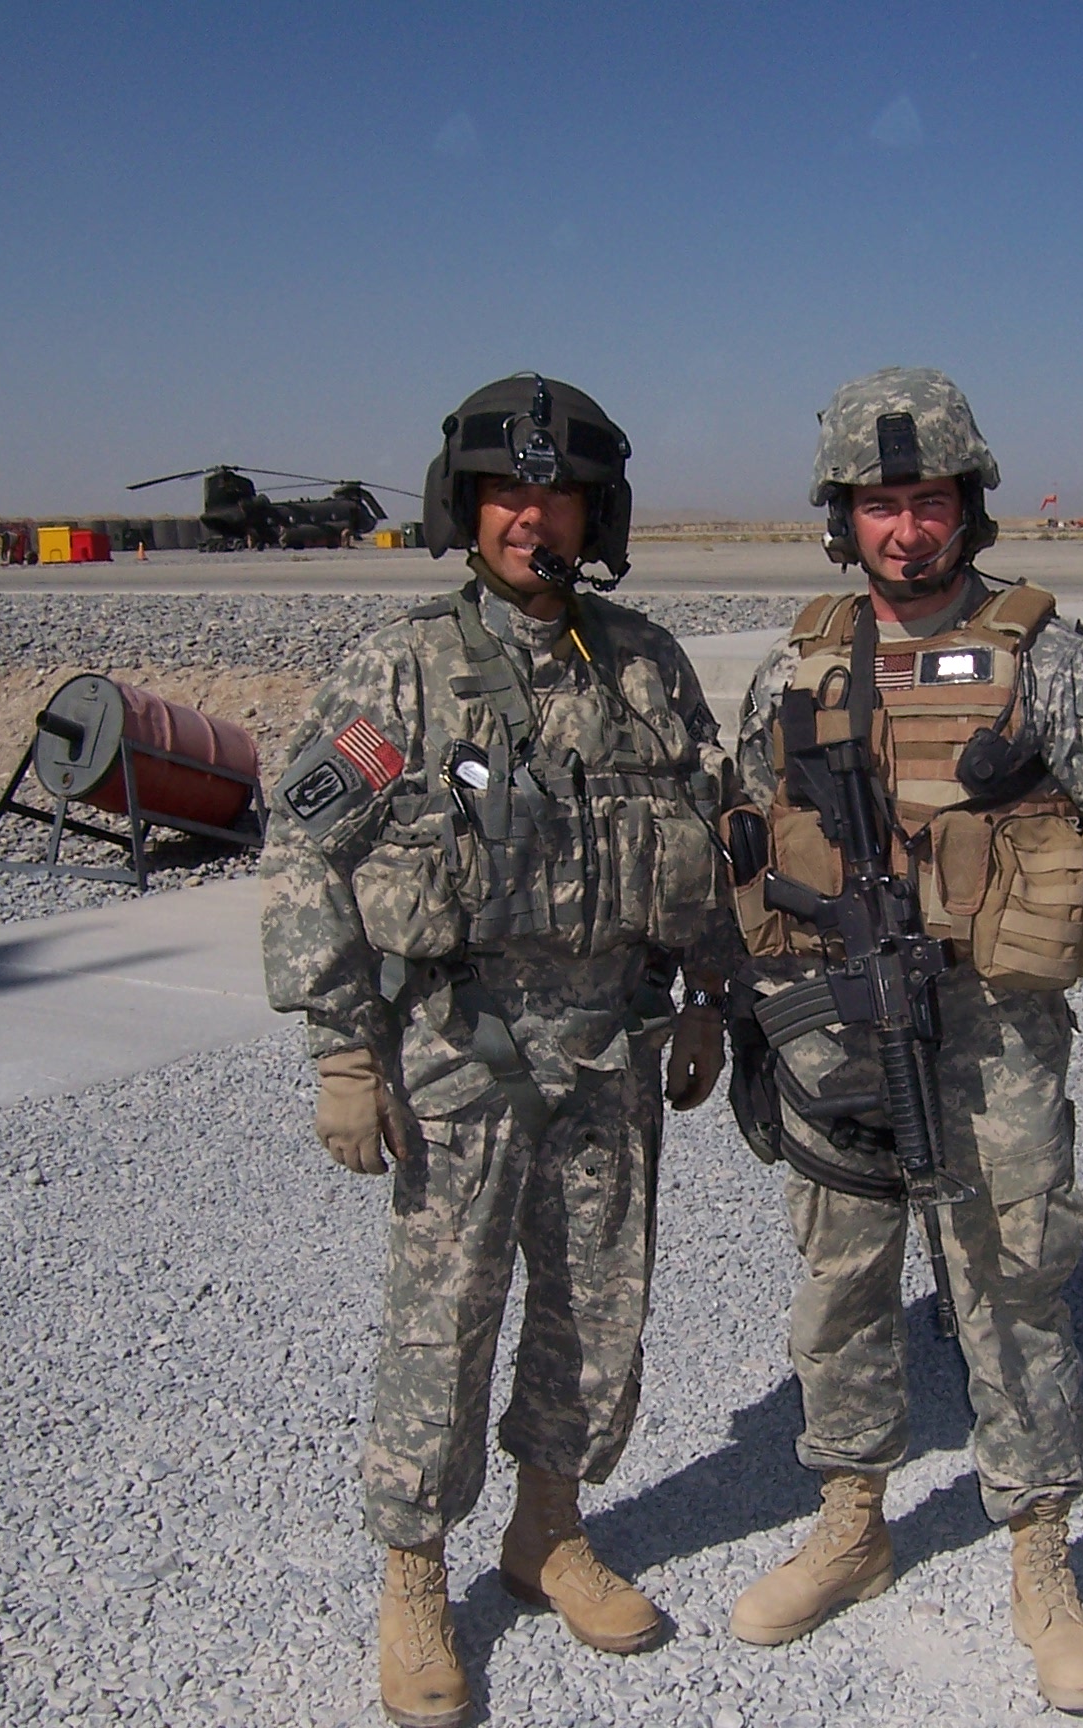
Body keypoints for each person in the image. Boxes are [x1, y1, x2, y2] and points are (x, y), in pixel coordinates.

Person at [723, 368, 1083, 1714]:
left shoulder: (1046, 659)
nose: (905, 528)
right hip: (836, 1040)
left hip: (995, 1042)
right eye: (880, 504)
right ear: (845, 516)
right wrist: (743, 1018)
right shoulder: (799, 659)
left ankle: (1043, 1552)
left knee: (1012, 1282)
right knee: (838, 1289)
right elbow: (740, 844)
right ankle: (852, 1520)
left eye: (927, 499)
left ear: (967, 506)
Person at [260, 373, 738, 1728]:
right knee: (444, 1317)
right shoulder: (397, 668)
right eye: (508, 496)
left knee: (601, 1302)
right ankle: (416, 1576)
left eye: (559, 496)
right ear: (465, 509)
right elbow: (307, 852)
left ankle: (549, 1529)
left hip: (609, 1046)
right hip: (457, 1052)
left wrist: (706, 991)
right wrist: (343, 1051)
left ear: (599, 513)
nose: (534, 520)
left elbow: (706, 839)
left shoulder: (646, 661)